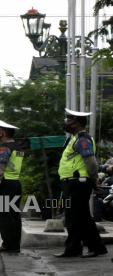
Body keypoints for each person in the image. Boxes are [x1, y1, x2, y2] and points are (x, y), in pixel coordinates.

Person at [54, 109, 107, 258]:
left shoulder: (83, 139)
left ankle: (91, 247)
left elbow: (91, 162)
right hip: (72, 183)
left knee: (79, 217)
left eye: (69, 120)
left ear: (77, 123)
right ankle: (76, 248)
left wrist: (95, 179)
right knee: (75, 217)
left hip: (79, 183)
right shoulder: (74, 138)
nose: (67, 123)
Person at [0, 120, 24, 253]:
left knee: (4, 215)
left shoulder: (4, 147)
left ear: (2, 132)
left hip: (6, 185)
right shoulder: (18, 147)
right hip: (15, 184)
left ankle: (7, 244)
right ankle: (15, 245)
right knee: (14, 215)